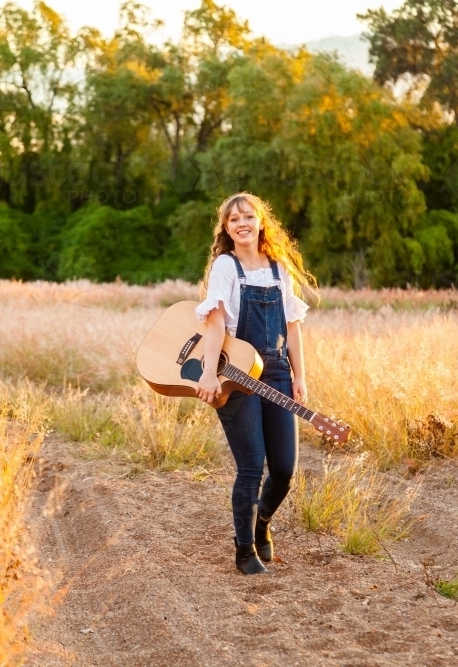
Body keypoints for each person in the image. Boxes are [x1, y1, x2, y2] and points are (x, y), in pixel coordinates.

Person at [194, 192, 317, 575]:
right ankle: (244, 549)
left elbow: (293, 329)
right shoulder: (225, 267)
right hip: (235, 376)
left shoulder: (280, 269)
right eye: (233, 219)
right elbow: (215, 325)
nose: (241, 223)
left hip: (277, 373)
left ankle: (262, 523)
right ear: (226, 228)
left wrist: (299, 377)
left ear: (262, 221)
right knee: (251, 465)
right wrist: (209, 372)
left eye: (248, 216)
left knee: (283, 469)